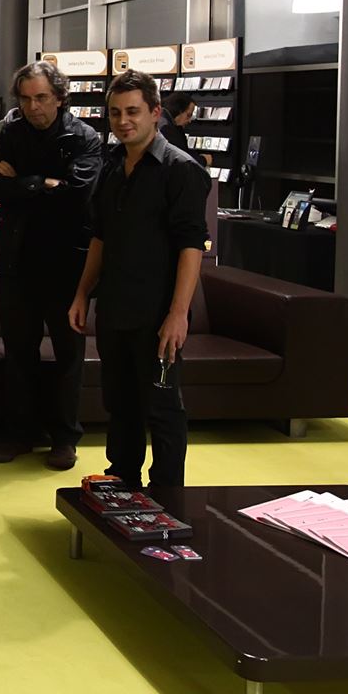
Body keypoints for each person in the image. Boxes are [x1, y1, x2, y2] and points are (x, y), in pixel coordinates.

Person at [68, 70, 209, 492]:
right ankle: (123, 480)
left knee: (162, 408)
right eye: (115, 113)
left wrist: (178, 315)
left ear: (155, 112)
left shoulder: (181, 170)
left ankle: (166, 496)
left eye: (132, 111)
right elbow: (101, 236)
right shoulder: (111, 165)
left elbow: (191, 246)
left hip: (158, 312)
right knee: (120, 402)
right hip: (115, 306)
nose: (123, 120)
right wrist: (82, 293)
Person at [0, 61, 103, 468]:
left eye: (41, 98)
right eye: (25, 98)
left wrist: (22, 181)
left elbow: (77, 195)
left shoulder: (84, 137)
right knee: (18, 352)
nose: (33, 107)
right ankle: (19, 433)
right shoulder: (11, 134)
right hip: (17, 260)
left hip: (67, 264)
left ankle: (65, 438)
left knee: (69, 355)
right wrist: (44, 182)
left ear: (60, 97)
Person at [161, 92, 196, 156]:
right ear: (179, 110)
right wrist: (203, 159)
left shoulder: (161, 120)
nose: (189, 121)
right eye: (188, 115)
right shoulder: (166, 129)